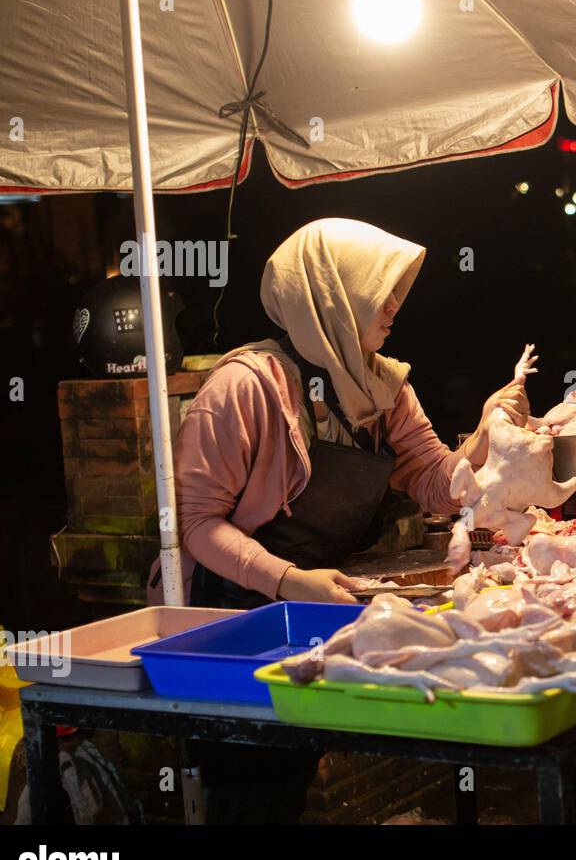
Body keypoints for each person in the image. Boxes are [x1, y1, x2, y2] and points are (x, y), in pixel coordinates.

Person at [150, 217, 528, 608]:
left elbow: (436, 486)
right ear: (331, 296)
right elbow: (195, 522)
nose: (394, 305)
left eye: (395, 290)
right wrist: (287, 581)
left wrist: (485, 437)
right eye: (379, 289)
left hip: (323, 593)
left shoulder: (385, 386)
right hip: (225, 604)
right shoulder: (245, 387)